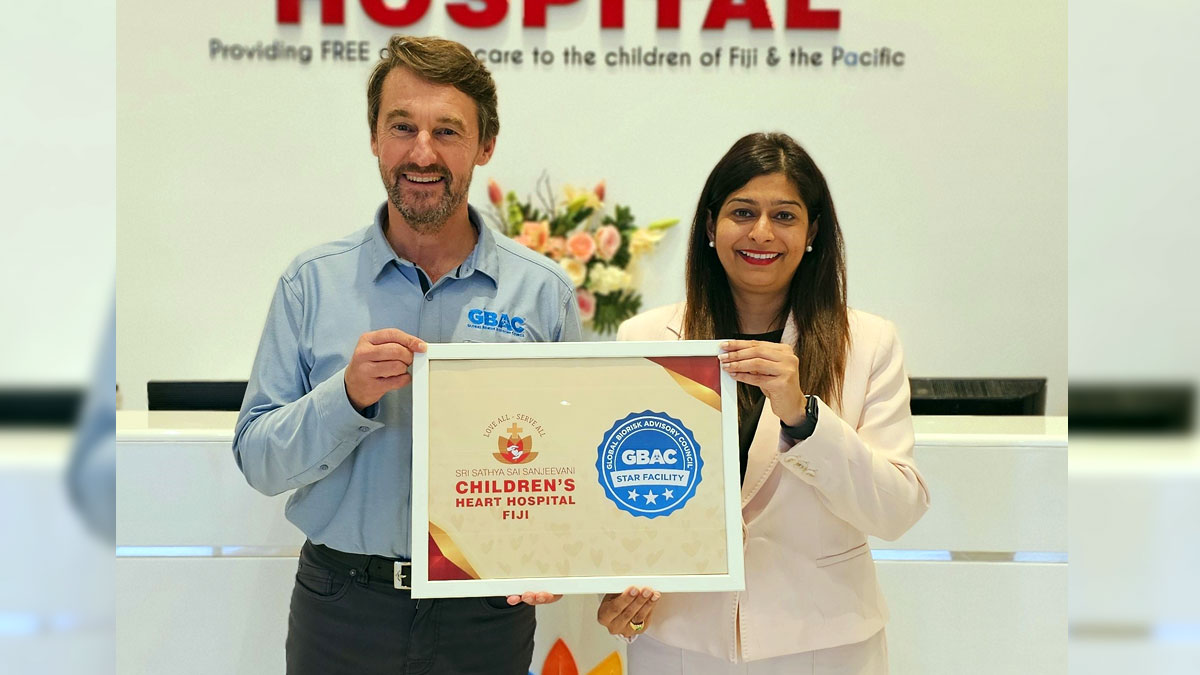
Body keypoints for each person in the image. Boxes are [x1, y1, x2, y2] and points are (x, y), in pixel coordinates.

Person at [233, 35, 581, 675]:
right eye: (402, 127)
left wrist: (555, 554)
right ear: (374, 137)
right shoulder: (311, 283)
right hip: (342, 607)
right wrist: (346, 397)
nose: (422, 153)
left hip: (486, 610)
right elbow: (258, 461)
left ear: (485, 145)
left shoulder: (544, 293)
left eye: (447, 131)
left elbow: (570, 466)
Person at [597, 132, 930, 673]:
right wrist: (618, 596)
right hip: (679, 639)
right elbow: (618, 496)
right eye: (742, 212)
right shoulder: (646, 338)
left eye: (784, 216)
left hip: (825, 642)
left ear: (812, 231)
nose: (761, 233)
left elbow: (896, 510)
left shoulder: (868, 343)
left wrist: (805, 418)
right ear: (711, 226)